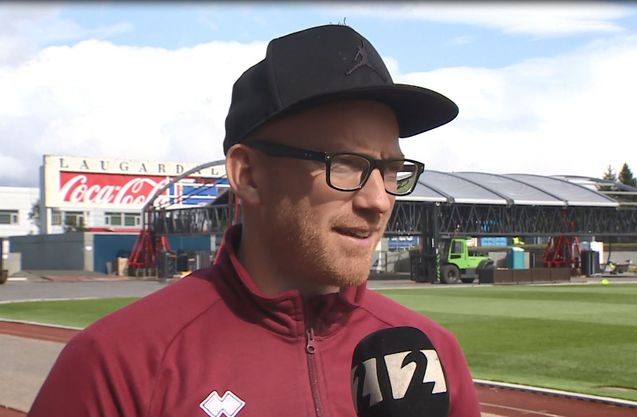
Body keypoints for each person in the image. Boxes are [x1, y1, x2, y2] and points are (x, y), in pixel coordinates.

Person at [28, 24, 480, 417]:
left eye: (391, 170)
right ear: (249, 176)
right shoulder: (118, 363)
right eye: (345, 164)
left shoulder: (432, 355)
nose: (378, 200)